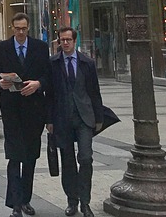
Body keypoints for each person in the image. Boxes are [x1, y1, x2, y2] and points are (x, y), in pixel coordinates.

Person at [0, 12, 50, 217]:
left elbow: (48, 75)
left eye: (24, 28)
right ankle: (15, 204)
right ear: (12, 28)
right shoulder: (1, 48)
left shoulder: (40, 47)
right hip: (12, 109)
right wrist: (0, 83)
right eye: (17, 29)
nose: (21, 32)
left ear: (29, 27)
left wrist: (38, 84)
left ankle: (26, 199)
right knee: (15, 156)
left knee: (31, 156)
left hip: (34, 109)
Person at [46, 27, 104, 217]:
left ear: (74, 41)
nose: (65, 43)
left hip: (84, 117)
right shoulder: (53, 63)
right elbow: (49, 94)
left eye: (68, 40)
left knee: (86, 158)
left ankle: (85, 202)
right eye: (62, 40)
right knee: (68, 161)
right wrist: (49, 119)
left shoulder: (87, 63)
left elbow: (94, 92)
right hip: (62, 118)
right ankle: (72, 200)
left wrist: (99, 117)